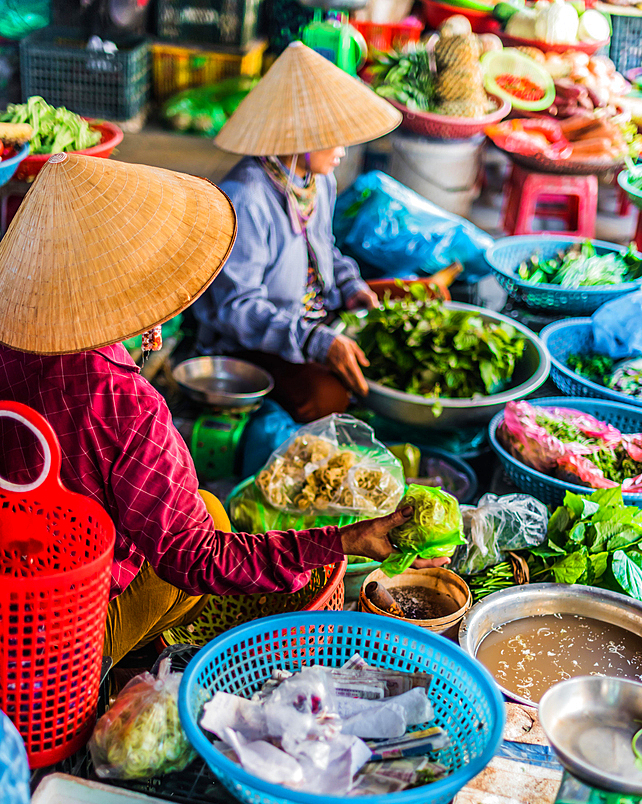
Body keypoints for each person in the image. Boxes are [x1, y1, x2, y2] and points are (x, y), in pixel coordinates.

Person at [0, 152, 446, 669]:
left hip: (20, 564)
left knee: (202, 509)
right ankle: (103, 671)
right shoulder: (126, 404)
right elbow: (196, 558)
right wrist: (341, 540)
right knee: (200, 526)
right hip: (47, 644)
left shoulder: (15, 332)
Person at [193, 41, 402, 423]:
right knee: (328, 396)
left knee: (404, 304)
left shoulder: (319, 181)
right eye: (332, 137)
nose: (343, 149)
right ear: (300, 137)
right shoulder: (246, 196)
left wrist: (351, 286)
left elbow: (325, 249)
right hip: (255, 339)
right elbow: (236, 308)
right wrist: (312, 340)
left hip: (314, 312)